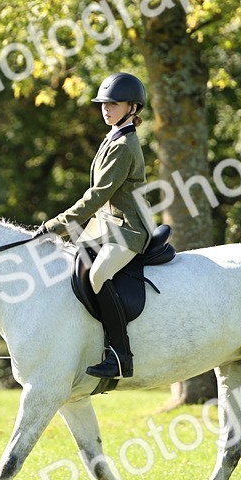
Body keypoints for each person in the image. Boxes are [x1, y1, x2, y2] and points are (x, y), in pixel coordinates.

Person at [36, 72, 154, 379]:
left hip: (127, 229)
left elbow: (98, 195)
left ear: (132, 107)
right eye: (104, 103)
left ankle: (120, 357)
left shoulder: (124, 145)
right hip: (105, 226)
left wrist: (56, 225)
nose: (106, 108)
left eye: (114, 103)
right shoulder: (112, 137)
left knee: (99, 275)